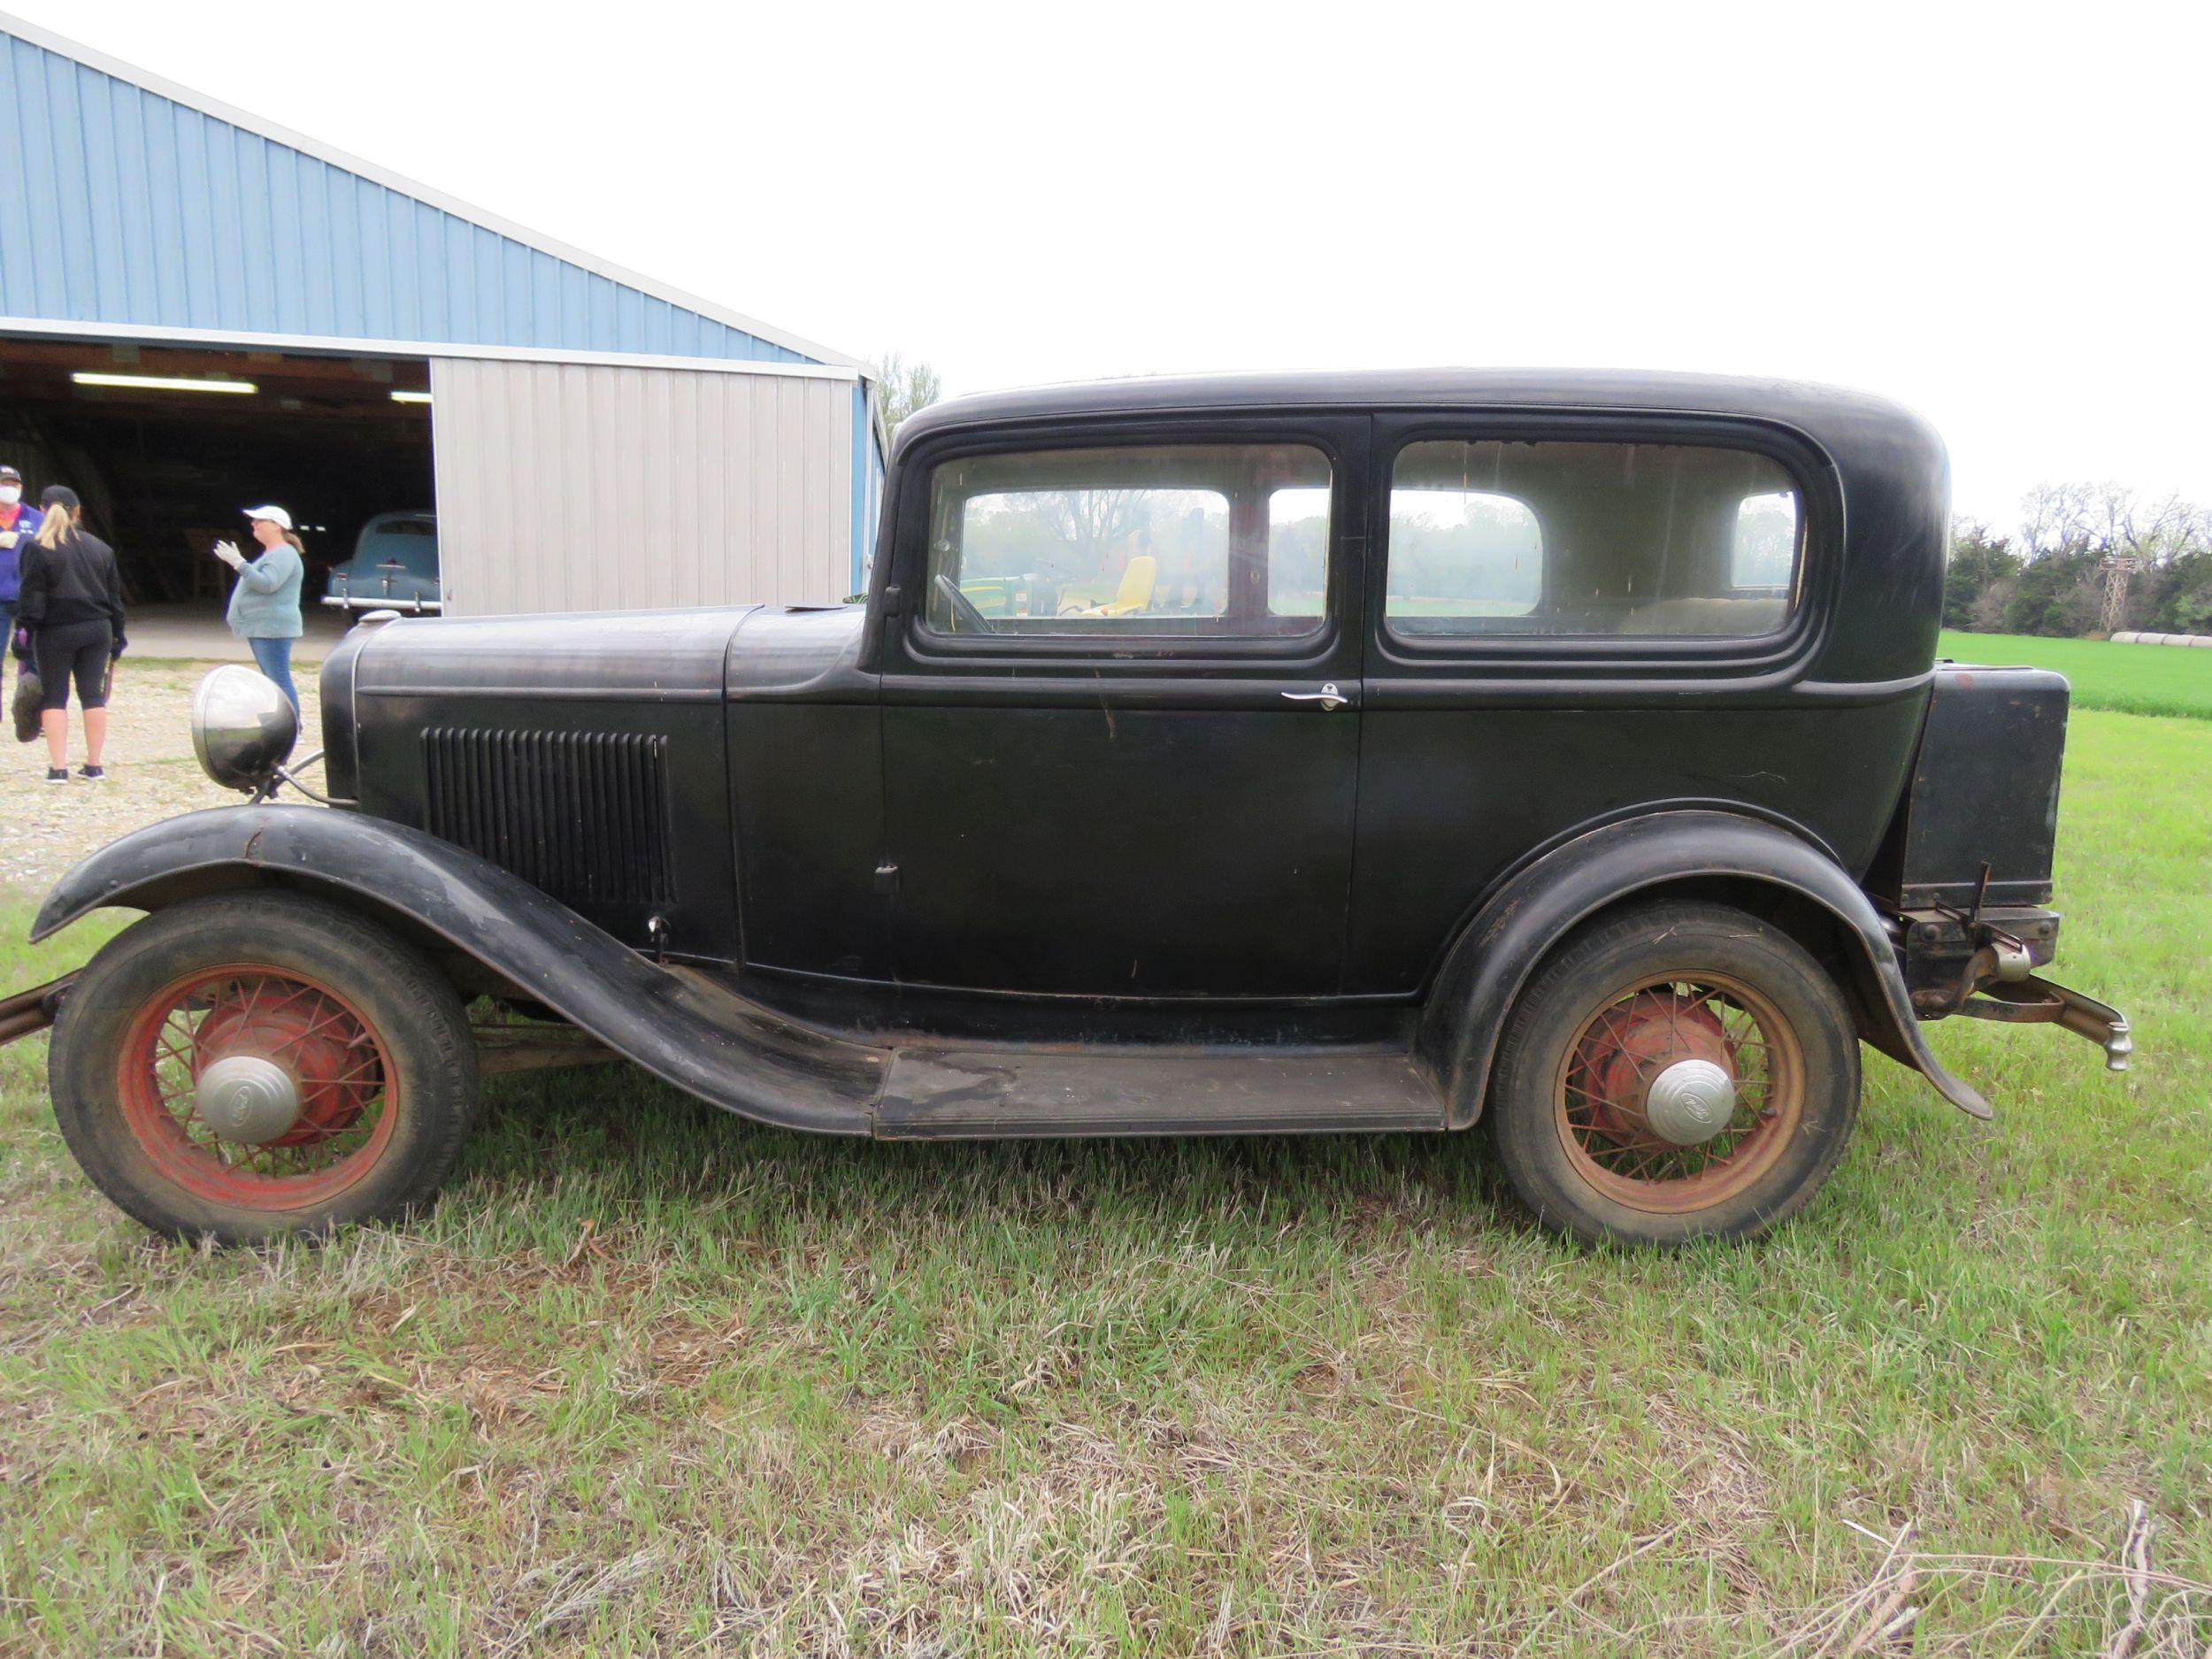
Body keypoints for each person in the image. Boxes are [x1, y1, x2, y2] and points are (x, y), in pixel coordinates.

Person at [12, 484, 125, 783]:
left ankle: (58, 768)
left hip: (56, 631)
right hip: (98, 628)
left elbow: (32, 600)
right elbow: (115, 600)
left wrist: (24, 633)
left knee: (54, 697)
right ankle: (94, 765)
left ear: (42, 509)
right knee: (92, 695)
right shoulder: (101, 548)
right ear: (78, 512)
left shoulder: (37, 547)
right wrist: (118, 635)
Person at [215, 504, 304, 710]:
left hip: (272, 627)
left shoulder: (283, 554)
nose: (253, 524)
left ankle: (292, 727)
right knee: (273, 679)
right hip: (265, 627)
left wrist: (239, 563)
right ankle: (284, 725)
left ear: (276, 526)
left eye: (260, 520)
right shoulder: (274, 553)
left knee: (278, 679)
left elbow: (267, 584)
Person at [0, 464, 37, 693]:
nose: (9, 489)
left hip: (30, 599)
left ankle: (33, 714)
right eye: (4, 484)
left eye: (14, 485)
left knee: (34, 659)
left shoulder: (36, 518)